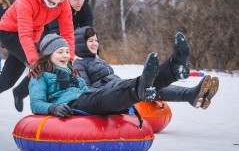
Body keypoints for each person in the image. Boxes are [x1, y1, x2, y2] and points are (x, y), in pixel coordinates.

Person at [73, 26, 219, 110]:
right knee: (143, 86)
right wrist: (108, 91)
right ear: (80, 43)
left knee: (152, 88)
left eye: (96, 40)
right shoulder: (78, 64)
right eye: (90, 41)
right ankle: (172, 68)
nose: (95, 44)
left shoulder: (98, 60)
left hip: (116, 85)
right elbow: (87, 90)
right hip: (109, 93)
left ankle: (190, 94)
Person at [29, 33, 160, 120]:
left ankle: (143, 83)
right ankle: (138, 90)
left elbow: (87, 92)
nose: (65, 55)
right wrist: (53, 108)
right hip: (70, 104)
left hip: (84, 100)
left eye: (67, 52)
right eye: (60, 52)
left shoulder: (73, 73)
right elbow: (36, 103)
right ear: (48, 55)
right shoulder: (40, 75)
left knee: (110, 94)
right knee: (104, 98)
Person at [12, 0, 93, 112]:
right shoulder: (59, 6)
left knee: (68, 67)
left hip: (67, 42)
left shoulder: (84, 7)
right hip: (49, 39)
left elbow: (87, 31)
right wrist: (66, 54)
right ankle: (24, 93)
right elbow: (58, 33)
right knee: (45, 68)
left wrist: (88, 51)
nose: (80, 2)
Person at [0, 0, 75, 103]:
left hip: (31, 36)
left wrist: (69, 58)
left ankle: (19, 92)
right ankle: (49, 104)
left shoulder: (62, 3)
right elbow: (25, 33)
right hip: (8, 32)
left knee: (7, 81)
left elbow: (67, 32)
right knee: (43, 64)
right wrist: (35, 61)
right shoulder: (27, 0)